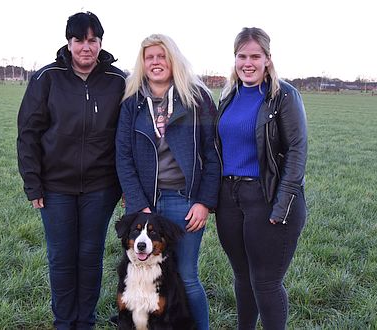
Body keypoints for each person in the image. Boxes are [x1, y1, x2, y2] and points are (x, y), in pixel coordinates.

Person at [16, 12, 125, 329]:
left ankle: (85, 321)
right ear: (69, 42)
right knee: (62, 258)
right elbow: (28, 133)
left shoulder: (118, 81)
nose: (86, 47)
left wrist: (125, 188)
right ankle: (64, 322)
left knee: (90, 257)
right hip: (55, 188)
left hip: (101, 188)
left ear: (100, 43)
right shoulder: (46, 78)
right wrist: (33, 184)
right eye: (79, 40)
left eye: (93, 40)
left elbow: (128, 134)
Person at [116, 34, 219, 330]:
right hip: (145, 201)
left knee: (185, 276)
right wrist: (138, 204)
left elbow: (213, 155)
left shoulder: (197, 99)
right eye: (150, 57)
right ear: (143, 63)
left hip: (184, 202)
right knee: (140, 277)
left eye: (162, 56)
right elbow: (123, 156)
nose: (156, 62)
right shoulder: (132, 103)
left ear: (173, 59)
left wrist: (204, 202)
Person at [215, 27, 308, 330]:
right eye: (242, 56)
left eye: (255, 56)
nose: (248, 62)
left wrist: (282, 205)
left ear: (268, 59)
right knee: (242, 278)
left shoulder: (284, 96)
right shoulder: (229, 96)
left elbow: (296, 150)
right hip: (229, 199)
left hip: (266, 198)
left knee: (265, 282)